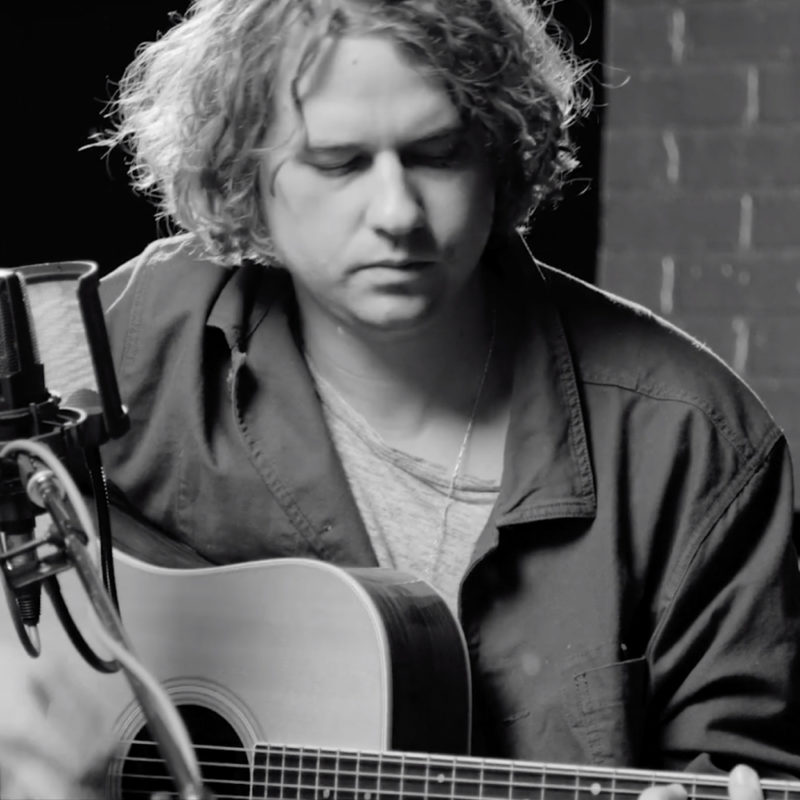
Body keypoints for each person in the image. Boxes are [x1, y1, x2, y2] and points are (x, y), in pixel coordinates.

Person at [87, 0, 800, 795]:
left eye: (437, 155)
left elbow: (746, 757)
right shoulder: (134, 337)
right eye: (339, 163)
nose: (396, 214)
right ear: (243, 177)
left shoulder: (695, 443)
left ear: (499, 157)